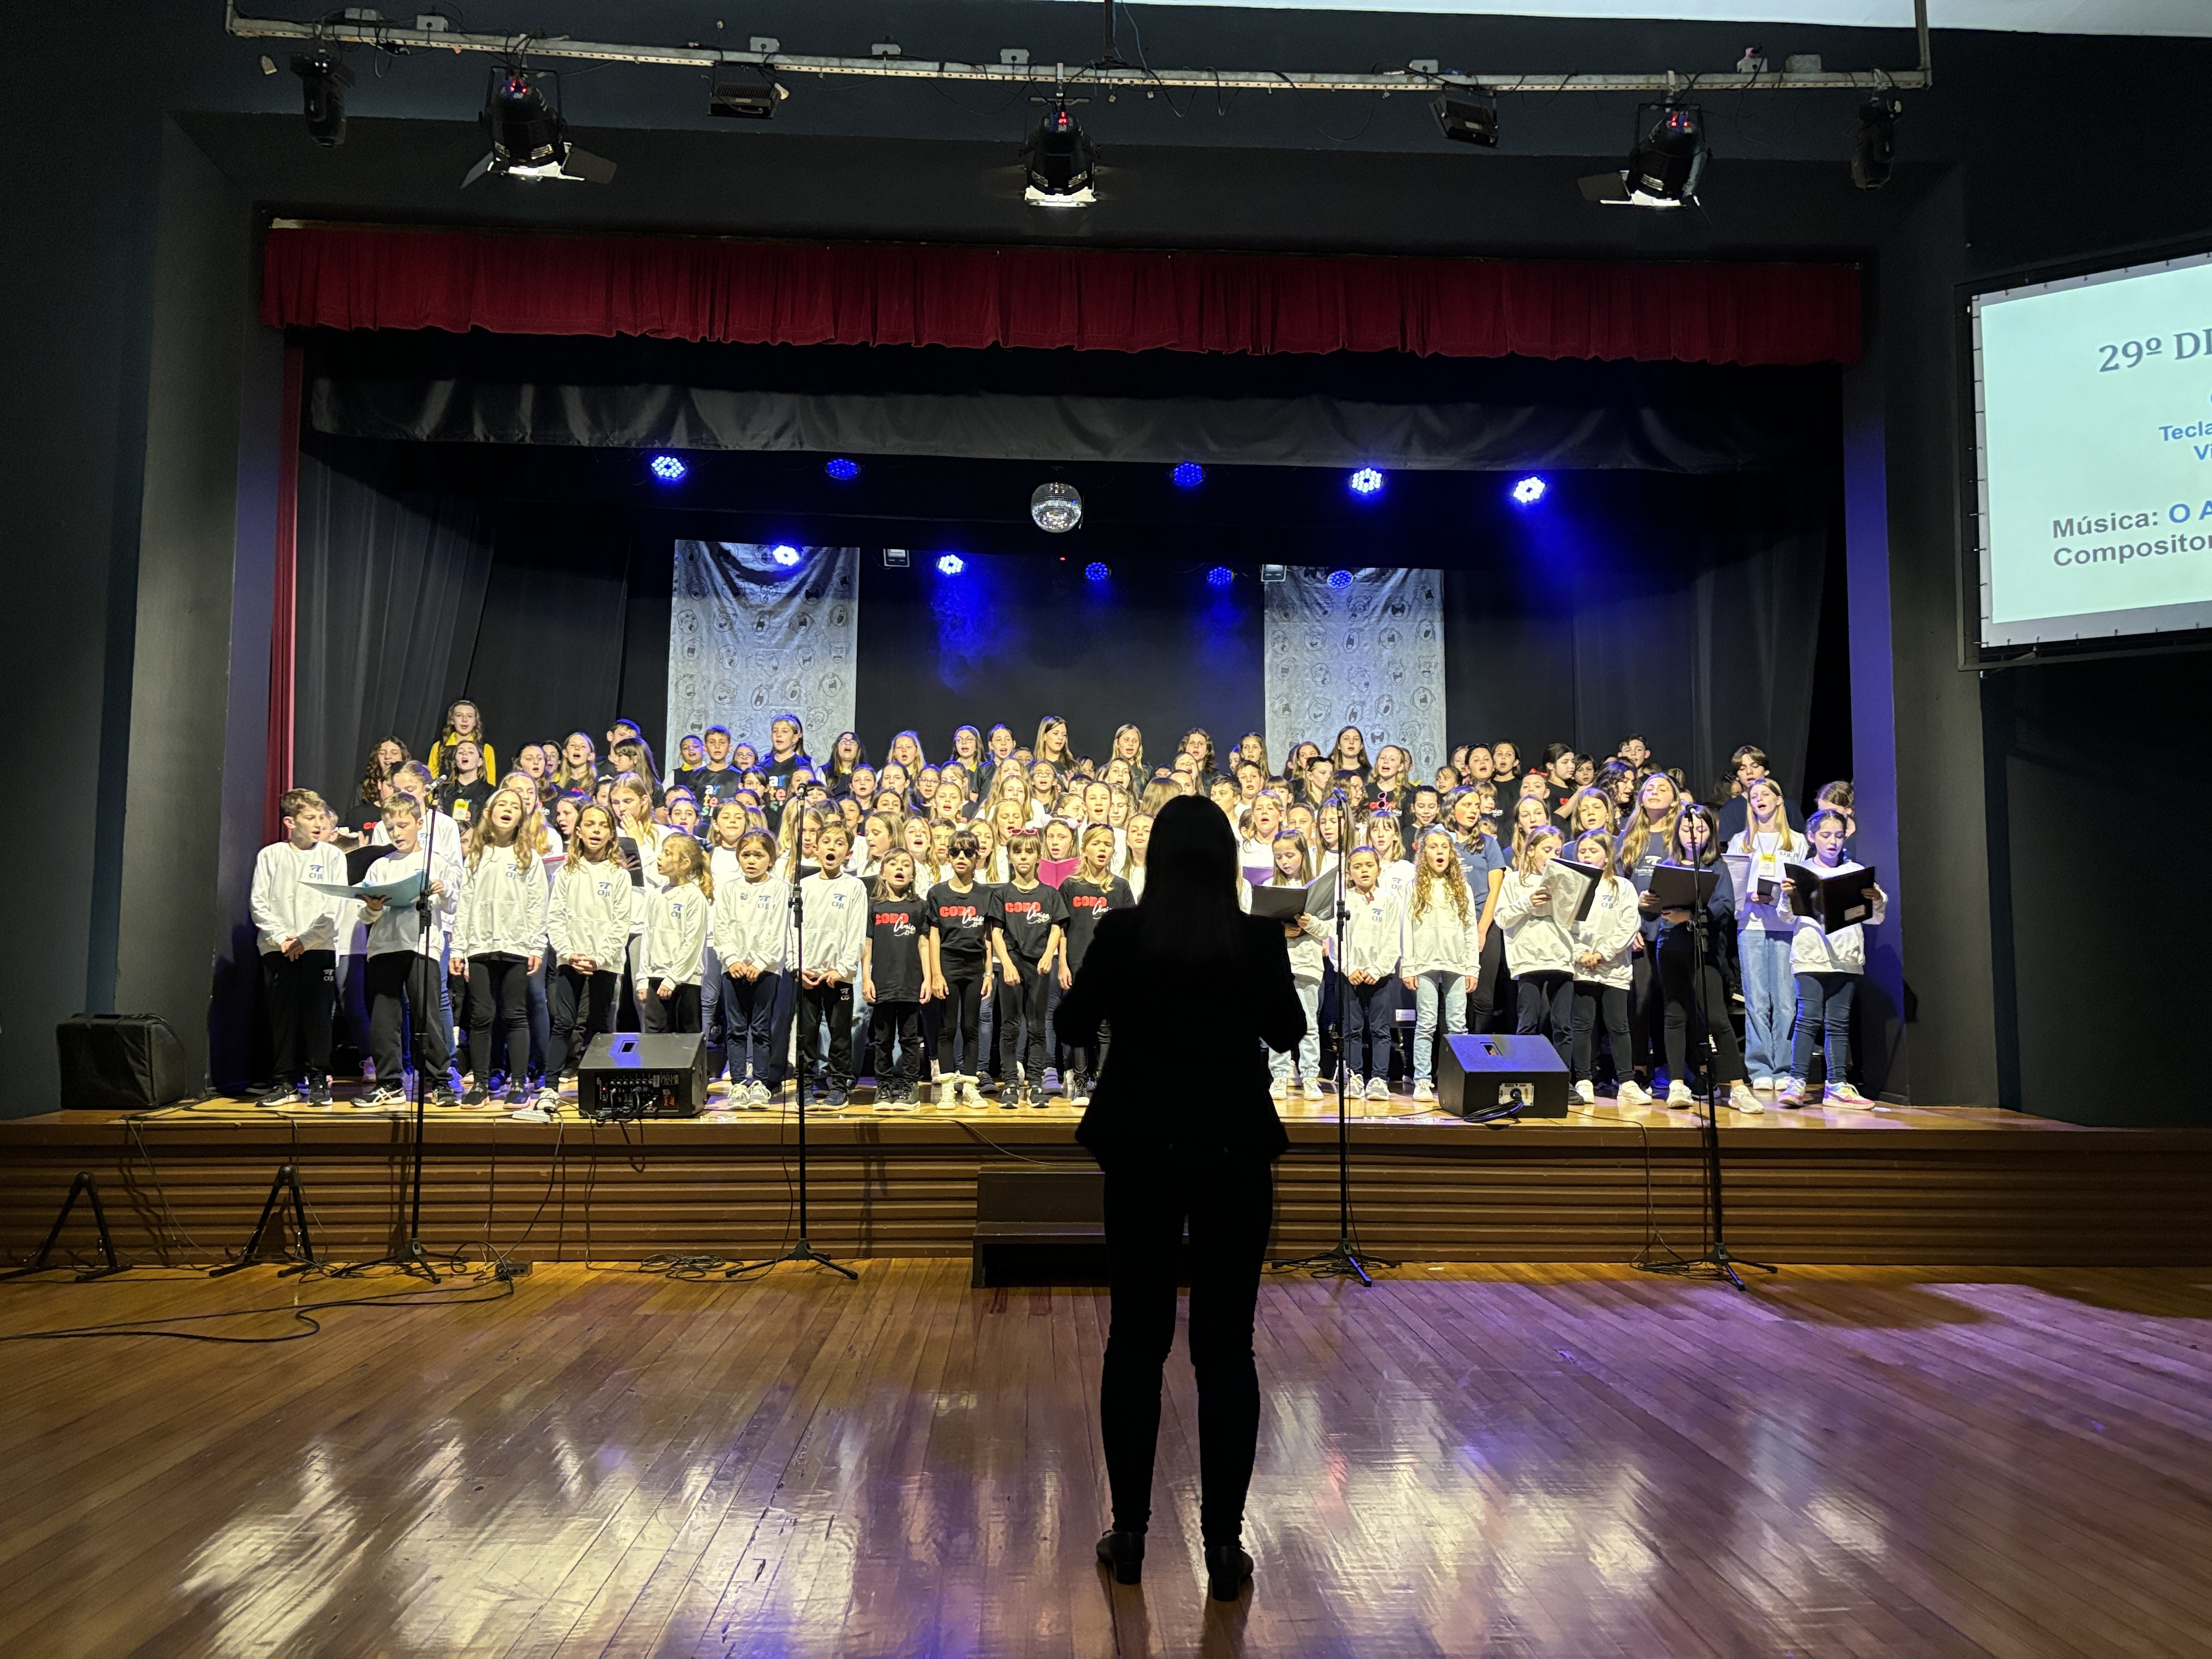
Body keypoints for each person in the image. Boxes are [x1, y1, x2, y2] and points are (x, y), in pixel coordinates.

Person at [1054, 794, 1302, 1602]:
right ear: (1226, 863)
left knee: (1136, 1338)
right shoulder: (1255, 938)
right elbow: (1289, 1031)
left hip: (1141, 1145)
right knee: (1227, 1347)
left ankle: (1129, 1534)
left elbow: (1071, 1025)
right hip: (1233, 1145)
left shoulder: (1124, 933)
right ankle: (1224, 1547)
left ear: (1156, 861)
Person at [358, 795, 464, 1107]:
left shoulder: (435, 862)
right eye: (390, 827)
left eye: (402, 825)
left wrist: (445, 890)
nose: (397, 833)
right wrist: (373, 907)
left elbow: (453, 907)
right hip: (384, 947)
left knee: (427, 1016)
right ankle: (390, 1082)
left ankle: (440, 1080)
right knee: (385, 1018)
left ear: (420, 824)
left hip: (422, 945)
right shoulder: (380, 865)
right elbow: (365, 916)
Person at [1778, 809, 1887, 1108]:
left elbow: (1875, 919)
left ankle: (1837, 1084)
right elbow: (1786, 918)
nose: (1833, 842)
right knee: (1808, 1019)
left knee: (1838, 1023)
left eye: (1838, 836)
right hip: (1811, 957)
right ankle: (1797, 1081)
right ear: (1812, 837)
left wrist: (1877, 899)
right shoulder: (1800, 872)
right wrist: (1787, 897)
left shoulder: (1855, 871)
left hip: (1846, 957)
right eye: (1826, 835)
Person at [452, 785, 548, 1108]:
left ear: (522, 817)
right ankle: (480, 1082)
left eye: (515, 806)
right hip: (480, 945)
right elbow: (465, 904)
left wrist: (536, 946)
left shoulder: (528, 857)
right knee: (481, 1015)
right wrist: (458, 948)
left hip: (516, 945)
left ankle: (518, 1082)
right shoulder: (477, 856)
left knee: (515, 1014)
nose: (507, 809)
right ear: (489, 813)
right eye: (501, 804)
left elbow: (537, 904)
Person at [250, 788, 344, 1108]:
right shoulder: (271, 856)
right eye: (310, 818)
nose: (319, 824)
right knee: (283, 1016)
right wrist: (283, 938)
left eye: (321, 818)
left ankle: (319, 1078)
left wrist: (306, 940)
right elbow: (259, 902)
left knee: (318, 1015)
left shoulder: (332, 856)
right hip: (278, 947)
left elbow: (334, 905)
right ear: (291, 822)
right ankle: (285, 1081)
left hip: (317, 948)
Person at [534, 803, 630, 1118]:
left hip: (605, 962)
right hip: (570, 959)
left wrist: (599, 958)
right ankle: (550, 1088)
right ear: (579, 831)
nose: (596, 831)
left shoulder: (619, 875)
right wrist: (568, 952)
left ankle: (605, 1089)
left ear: (611, 833)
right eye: (590, 824)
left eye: (603, 825)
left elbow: (620, 923)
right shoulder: (566, 872)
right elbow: (556, 918)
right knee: (564, 1022)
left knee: (600, 1024)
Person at [1726, 776, 1802, 1093]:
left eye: (1765, 794)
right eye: (1753, 795)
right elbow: (1731, 886)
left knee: (1785, 1000)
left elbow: (1804, 886)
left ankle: (1784, 1066)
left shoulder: (1797, 842)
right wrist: (1749, 896)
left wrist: (1784, 894)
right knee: (1756, 999)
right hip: (1752, 925)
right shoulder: (1740, 841)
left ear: (1778, 800)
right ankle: (1759, 1067)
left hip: (1786, 926)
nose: (1759, 799)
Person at [1054, 824, 1134, 1108]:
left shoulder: (1121, 887)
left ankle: (1102, 1079)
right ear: (1084, 849)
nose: (1102, 849)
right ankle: (1079, 1079)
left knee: (1106, 1027)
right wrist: (1063, 964)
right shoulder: (1070, 886)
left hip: (1111, 967)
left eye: (1108, 844)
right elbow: (1061, 929)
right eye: (1097, 843)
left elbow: (1129, 932)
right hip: (1077, 963)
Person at [1568, 830, 1648, 1107]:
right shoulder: (1573, 888)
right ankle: (1584, 1079)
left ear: (1607, 856)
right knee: (1583, 1025)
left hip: (1614, 968)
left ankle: (1627, 1082)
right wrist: (1581, 954)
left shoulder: (1622, 887)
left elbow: (1629, 924)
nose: (1587, 856)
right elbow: (1566, 926)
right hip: (1583, 967)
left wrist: (1604, 953)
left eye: (1593, 851)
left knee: (1619, 1025)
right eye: (1582, 851)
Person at [712, 827, 789, 1109]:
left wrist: (759, 962)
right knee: (735, 1028)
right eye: (746, 855)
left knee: (760, 1027)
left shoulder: (779, 889)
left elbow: (777, 929)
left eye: (759, 855)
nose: (752, 861)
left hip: (765, 969)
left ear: (771, 858)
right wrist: (732, 959)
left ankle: (760, 1082)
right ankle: (738, 1084)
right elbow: (721, 926)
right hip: (733, 968)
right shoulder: (729, 888)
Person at [990, 830, 1068, 1105]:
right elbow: (996, 932)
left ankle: (1035, 1083)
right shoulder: (1002, 894)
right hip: (1012, 965)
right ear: (1010, 857)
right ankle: (1011, 1082)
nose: (1023, 857)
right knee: (1010, 1026)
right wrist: (1006, 963)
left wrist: (1048, 955)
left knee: (1037, 1026)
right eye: (1018, 852)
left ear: (1038, 857)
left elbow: (1057, 927)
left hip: (1039, 967)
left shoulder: (1050, 894)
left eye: (1029, 852)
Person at [1404, 828, 1479, 1106]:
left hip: (1456, 962)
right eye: (1433, 847)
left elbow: (1470, 929)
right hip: (1424, 962)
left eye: (1444, 847)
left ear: (1451, 853)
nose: (1439, 852)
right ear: (1424, 853)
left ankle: (1456, 1079)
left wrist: (1472, 967)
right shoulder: (1414, 887)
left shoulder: (1462, 888)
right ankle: (1423, 1079)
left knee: (1458, 1025)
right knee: (1426, 1023)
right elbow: (1407, 928)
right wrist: (1409, 966)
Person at [794, 820, 866, 1107]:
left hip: (839, 976)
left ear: (848, 853)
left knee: (840, 1033)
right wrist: (797, 966)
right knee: (807, 1032)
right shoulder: (804, 886)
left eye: (839, 844)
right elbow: (793, 929)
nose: (832, 848)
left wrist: (843, 969)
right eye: (827, 842)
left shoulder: (854, 887)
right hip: (808, 973)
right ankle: (806, 1084)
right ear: (816, 848)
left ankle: (839, 1084)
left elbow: (856, 932)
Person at [1494, 825, 1574, 1069]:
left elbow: (1576, 922)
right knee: (1528, 1022)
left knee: (1562, 1026)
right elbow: (1502, 918)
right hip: (1529, 960)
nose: (1553, 856)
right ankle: (1526, 1073)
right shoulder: (1514, 881)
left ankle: (1562, 1080)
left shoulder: (1566, 882)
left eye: (1558, 852)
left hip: (1561, 958)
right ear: (1531, 850)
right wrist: (1528, 902)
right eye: (1547, 850)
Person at [927, 829, 995, 1109]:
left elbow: (988, 937)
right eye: (955, 852)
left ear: (977, 858)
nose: (961, 857)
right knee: (948, 1026)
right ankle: (946, 1087)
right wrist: (936, 974)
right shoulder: (938, 893)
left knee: (970, 1026)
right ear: (949, 857)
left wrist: (989, 973)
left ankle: (969, 1086)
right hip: (948, 965)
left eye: (968, 852)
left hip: (975, 967)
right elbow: (933, 936)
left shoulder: (986, 894)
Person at [1261, 830, 1328, 1102]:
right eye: (1279, 857)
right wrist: (1281, 931)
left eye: (1290, 855)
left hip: (1308, 964)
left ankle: (1310, 1075)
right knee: (1278, 1021)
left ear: (1303, 854)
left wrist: (1309, 923)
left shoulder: (1317, 888)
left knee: (1309, 1023)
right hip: (1279, 965)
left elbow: (1327, 930)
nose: (1285, 862)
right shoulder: (1269, 885)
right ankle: (1280, 1075)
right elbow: (1258, 929)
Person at [862, 849, 932, 1110]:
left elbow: (924, 944)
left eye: (905, 865)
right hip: (882, 982)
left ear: (913, 874)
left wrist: (927, 979)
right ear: (883, 873)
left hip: (910, 982)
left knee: (910, 1038)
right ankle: (884, 1085)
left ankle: (909, 1085)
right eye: (893, 864)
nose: (899, 868)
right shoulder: (874, 906)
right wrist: (866, 978)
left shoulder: (919, 906)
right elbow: (867, 944)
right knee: (883, 1039)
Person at [1338, 845, 1405, 1101]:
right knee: (1352, 1029)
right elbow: (1336, 940)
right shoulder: (1343, 900)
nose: (1364, 870)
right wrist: (1349, 968)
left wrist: (1377, 970)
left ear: (1378, 869)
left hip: (1380, 976)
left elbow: (1393, 939)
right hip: (1351, 976)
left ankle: (1379, 1078)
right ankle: (1354, 1076)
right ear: (1349, 872)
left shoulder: (1389, 900)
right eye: (1357, 866)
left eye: (1369, 865)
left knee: (1380, 1029)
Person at [641, 834, 712, 1035]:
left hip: (685, 980)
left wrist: (673, 979)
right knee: (655, 1035)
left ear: (685, 863)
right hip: (656, 975)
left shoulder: (694, 897)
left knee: (686, 1038)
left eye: (667, 853)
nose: (660, 857)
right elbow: (648, 938)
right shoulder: (655, 895)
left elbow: (693, 943)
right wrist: (643, 978)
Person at [426, 698, 495, 781]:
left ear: (475, 722)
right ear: (452, 720)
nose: (464, 720)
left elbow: (490, 783)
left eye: (470, 716)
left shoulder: (485, 749)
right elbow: (431, 780)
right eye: (459, 715)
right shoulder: (439, 747)